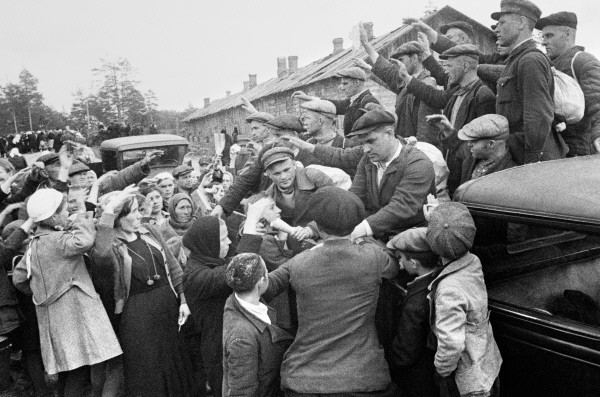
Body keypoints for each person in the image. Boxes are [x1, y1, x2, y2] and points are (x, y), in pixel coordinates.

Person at [263, 186, 399, 396]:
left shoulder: (298, 263)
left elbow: (263, 287)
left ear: (317, 224)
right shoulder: (373, 257)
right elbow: (393, 267)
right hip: (364, 378)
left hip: (304, 379)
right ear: (356, 222)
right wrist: (362, 241)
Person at [12, 189, 122, 397]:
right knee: (79, 372)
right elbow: (85, 241)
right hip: (75, 314)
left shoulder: (34, 244)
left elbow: (19, 279)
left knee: (67, 372)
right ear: (53, 216)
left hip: (51, 316)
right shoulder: (59, 241)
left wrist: (45, 291)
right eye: (64, 211)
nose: (66, 214)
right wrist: (81, 214)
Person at [90, 188, 194, 397]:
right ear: (118, 219)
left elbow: (173, 266)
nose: (140, 215)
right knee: (148, 370)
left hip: (168, 307)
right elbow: (100, 255)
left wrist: (183, 299)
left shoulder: (149, 231)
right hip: (138, 318)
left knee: (176, 362)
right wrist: (109, 209)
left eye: (139, 210)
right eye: (133, 212)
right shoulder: (110, 246)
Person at [284, 105, 436, 242]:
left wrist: (356, 232)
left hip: (411, 240)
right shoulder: (369, 160)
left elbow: (401, 207)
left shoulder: (417, 163)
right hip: (377, 235)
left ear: (389, 133)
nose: (365, 149)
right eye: (362, 143)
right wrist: (314, 228)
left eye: (370, 141)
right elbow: (353, 200)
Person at [425, 202, 502, 397]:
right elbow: (453, 233)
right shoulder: (473, 262)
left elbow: (451, 343)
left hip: (469, 382)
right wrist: (438, 221)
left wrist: (441, 370)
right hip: (487, 364)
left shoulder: (449, 289)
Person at [492, 0, 567, 164]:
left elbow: (539, 117)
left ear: (521, 23)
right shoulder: (517, 60)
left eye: (502, 22)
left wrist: (531, 162)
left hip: (531, 159)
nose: (497, 28)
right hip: (519, 154)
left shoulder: (530, 60)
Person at [222, 253, 294, 397]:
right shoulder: (242, 339)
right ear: (261, 282)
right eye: (267, 272)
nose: (269, 276)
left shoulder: (242, 298)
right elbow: (242, 391)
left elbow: (279, 277)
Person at [358, 24, 440, 146]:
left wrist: (419, 151)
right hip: (405, 146)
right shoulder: (404, 82)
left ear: (415, 58)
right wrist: (366, 44)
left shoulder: (427, 85)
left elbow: (426, 129)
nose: (398, 65)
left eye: (401, 60)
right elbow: (385, 69)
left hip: (418, 149)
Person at [386, 227, 441, 397]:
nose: (400, 264)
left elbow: (404, 354)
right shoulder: (438, 279)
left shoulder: (415, 305)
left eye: (401, 258)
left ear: (415, 263)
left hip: (415, 383)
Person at [537, 11, 600, 156]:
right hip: (556, 149)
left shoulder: (582, 61)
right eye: (543, 36)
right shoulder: (547, 65)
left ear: (567, 33)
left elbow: (598, 103)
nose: (544, 41)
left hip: (580, 151)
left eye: (549, 35)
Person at [292, 67, 380, 136]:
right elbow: (334, 105)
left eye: (345, 83)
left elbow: (377, 131)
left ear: (356, 83)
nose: (341, 87)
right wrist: (308, 98)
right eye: (341, 84)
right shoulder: (353, 101)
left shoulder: (368, 101)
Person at [299, 99, 357, 177]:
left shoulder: (347, 146)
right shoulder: (307, 145)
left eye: (307, 118)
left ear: (320, 121)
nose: (304, 123)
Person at [158, 192, 196, 264]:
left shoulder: (198, 227)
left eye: (189, 207)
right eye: (182, 208)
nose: (186, 212)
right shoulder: (163, 230)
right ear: (173, 210)